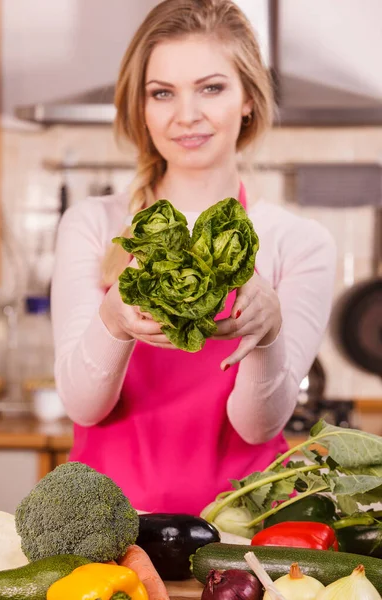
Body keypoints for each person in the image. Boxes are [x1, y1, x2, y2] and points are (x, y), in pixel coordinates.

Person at [51, 0, 336, 515]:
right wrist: (115, 318)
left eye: (211, 87)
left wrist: (268, 334)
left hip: (240, 530)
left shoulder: (299, 241)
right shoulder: (91, 225)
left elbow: (259, 425)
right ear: (141, 107)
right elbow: (83, 407)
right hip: (108, 527)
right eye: (162, 93)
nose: (186, 115)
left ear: (248, 98)